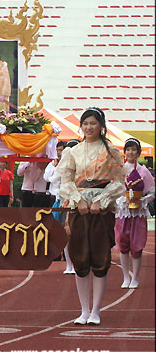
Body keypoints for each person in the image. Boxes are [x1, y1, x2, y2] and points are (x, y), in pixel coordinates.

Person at [57, 107, 126, 326]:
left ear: (101, 126)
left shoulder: (111, 151)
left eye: (93, 123)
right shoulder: (73, 151)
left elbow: (118, 182)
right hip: (79, 209)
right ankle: (83, 310)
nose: (89, 127)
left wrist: (101, 200)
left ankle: (96, 310)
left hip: (101, 211)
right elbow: (66, 181)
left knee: (100, 258)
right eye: (85, 123)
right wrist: (79, 200)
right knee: (80, 257)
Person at [115, 138, 155, 289]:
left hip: (138, 213)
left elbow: (152, 191)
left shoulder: (144, 171)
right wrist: (121, 201)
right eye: (128, 149)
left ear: (138, 152)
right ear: (124, 152)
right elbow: (114, 191)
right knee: (122, 243)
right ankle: (126, 277)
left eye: (134, 149)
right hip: (123, 213)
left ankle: (135, 277)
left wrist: (142, 201)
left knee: (137, 246)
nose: (131, 152)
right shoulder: (120, 170)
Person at [43, 140, 75, 274]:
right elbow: (50, 179)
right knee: (64, 233)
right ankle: (69, 264)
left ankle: (77, 262)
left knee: (77, 234)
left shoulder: (85, 166)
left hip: (79, 203)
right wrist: (56, 167)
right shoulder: (61, 165)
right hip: (63, 202)